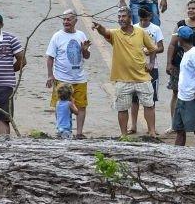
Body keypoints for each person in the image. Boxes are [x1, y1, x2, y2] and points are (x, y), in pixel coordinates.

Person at [91, 7, 158, 136]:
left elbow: (152, 48)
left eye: (123, 16)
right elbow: (105, 32)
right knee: (122, 108)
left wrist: (151, 63)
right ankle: (123, 135)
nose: (121, 19)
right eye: (119, 17)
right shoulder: (115, 34)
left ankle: (152, 132)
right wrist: (99, 27)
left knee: (149, 105)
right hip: (122, 79)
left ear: (130, 18)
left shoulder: (141, 32)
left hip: (142, 77)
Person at [45, 9, 91, 138]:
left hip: (79, 78)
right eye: (64, 19)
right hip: (61, 79)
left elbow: (86, 56)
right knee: (60, 105)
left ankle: (79, 133)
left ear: (75, 20)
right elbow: (50, 57)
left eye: (69, 19)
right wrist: (50, 75)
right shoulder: (57, 36)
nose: (66, 21)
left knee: (81, 106)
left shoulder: (81, 35)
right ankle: (61, 129)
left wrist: (84, 50)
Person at [172, 26, 195, 147]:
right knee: (179, 130)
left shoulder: (194, 54)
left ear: (180, 39)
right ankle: (177, 155)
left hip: (191, 98)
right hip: (182, 97)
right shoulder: (187, 52)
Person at [129, 7, 164, 134]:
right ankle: (133, 126)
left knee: (151, 100)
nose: (143, 22)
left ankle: (151, 128)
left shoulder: (156, 29)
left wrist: (150, 51)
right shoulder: (134, 28)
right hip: (136, 68)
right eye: (141, 20)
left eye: (145, 19)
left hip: (151, 68)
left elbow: (161, 48)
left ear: (150, 17)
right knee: (134, 99)